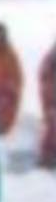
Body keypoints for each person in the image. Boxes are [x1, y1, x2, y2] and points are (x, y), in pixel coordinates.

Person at [39, 38, 56, 171]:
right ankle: (47, 158)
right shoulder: (51, 58)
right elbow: (45, 77)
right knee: (52, 126)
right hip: (52, 97)